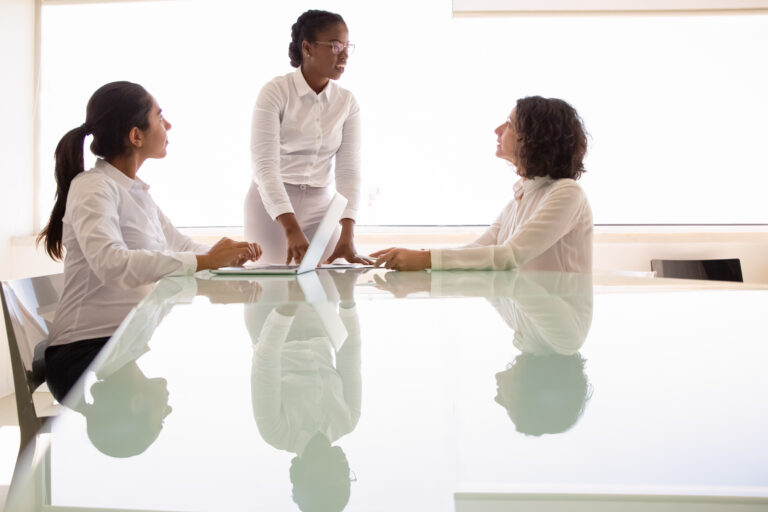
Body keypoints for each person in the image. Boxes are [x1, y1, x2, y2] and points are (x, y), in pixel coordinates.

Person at [38, 81, 262, 400]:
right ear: (135, 135)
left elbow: (182, 247)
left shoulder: (135, 192)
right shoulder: (93, 187)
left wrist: (228, 257)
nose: (168, 125)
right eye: (160, 116)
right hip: (85, 354)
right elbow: (111, 265)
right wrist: (207, 260)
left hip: (120, 344)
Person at [371, 96, 593, 272]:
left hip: (559, 322)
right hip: (529, 319)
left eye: (509, 124)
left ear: (532, 139)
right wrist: (419, 255)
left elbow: (509, 255)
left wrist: (425, 259)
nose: (497, 130)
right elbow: (480, 247)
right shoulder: (523, 193)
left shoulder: (567, 193)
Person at [245, 9, 372, 266]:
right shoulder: (274, 92)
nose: (345, 54)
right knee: (271, 292)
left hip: (321, 207)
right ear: (307, 48)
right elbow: (265, 167)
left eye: (347, 46)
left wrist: (347, 233)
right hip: (270, 207)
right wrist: (291, 229)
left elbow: (348, 171)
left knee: (326, 293)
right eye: (336, 46)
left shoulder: (346, 102)